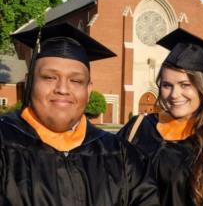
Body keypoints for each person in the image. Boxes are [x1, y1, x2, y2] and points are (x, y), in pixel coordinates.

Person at [0, 23, 160, 206]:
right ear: (29, 82)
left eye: (76, 80)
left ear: (89, 89)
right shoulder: (5, 142)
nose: (62, 89)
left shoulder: (124, 157)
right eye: (49, 77)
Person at [118, 28, 203, 206]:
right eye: (167, 85)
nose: (174, 94)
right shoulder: (138, 128)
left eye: (185, 85)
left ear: (202, 88)